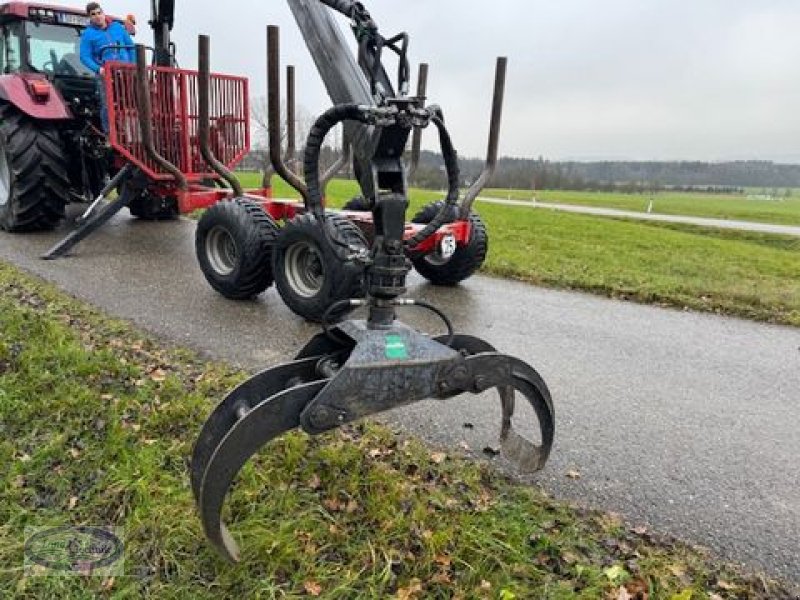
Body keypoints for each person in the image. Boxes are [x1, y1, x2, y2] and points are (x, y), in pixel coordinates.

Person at [79, 3, 135, 131]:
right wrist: (99, 69)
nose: (97, 16)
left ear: (103, 13)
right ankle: (109, 134)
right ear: (90, 18)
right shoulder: (88, 34)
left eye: (99, 13)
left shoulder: (118, 27)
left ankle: (135, 130)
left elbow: (131, 47)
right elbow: (84, 56)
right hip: (106, 72)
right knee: (107, 104)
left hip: (126, 70)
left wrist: (133, 65)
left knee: (132, 102)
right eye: (93, 14)